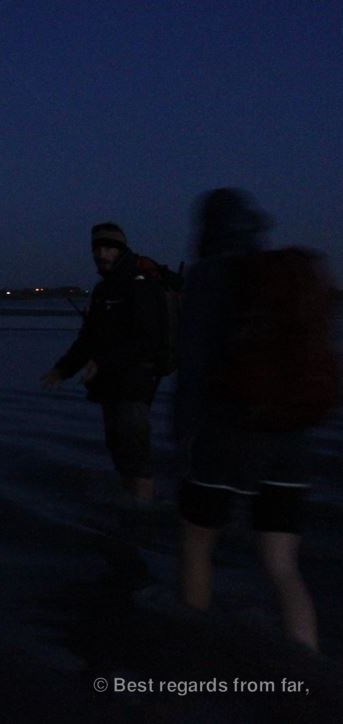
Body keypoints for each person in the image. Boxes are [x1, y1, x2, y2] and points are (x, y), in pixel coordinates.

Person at [173, 188, 322, 651]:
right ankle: (308, 673)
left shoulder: (208, 275)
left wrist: (182, 437)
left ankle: (190, 659)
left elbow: (193, 364)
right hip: (292, 437)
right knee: (282, 566)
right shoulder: (283, 275)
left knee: (197, 546)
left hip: (229, 433)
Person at [41, 222, 166, 504]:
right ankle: (130, 508)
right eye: (97, 248)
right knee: (118, 449)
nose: (101, 254)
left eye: (109, 247)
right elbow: (88, 338)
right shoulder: (102, 290)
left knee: (136, 455)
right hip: (110, 385)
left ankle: (143, 517)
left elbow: (147, 339)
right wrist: (63, 369)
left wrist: (104, 363)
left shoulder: (139, 284)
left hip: (135, 384)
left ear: (121, 249)